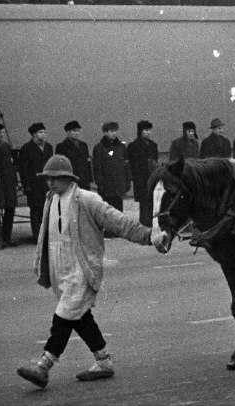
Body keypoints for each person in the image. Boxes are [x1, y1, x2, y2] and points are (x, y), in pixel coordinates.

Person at [16, 155, 155, 389]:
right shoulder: (52, 199)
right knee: (78, 316)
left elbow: (117, 221)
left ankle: (44, 365)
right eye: (47, 178)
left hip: (82, 270)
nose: (50, 183)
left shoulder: (86, 199)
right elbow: (47, 236)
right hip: (61, 272)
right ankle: (104, 361)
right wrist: (43, 266)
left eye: (55, 178)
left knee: (64, 315)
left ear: (68, 178)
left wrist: (148, 236)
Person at [20, 123, 54, 242]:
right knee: (35, 210)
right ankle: (37, 236)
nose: (43, 134)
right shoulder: (26, 148)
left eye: (44, 132)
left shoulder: (49, 147)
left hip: (47, 183)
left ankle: (48, 235)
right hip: (34, 184)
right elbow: (23, 169)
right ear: (34, 135)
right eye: (40, 132)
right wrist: (26, 185)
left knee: (48, 209)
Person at [0, 123, 18, 247]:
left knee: (10, 209)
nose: (1, 135)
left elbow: (11, 166)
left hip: (8, 182)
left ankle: (7, 236)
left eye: (2, 132)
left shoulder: (6, 146)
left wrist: (14, 181)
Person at [92, 122, 130, 211]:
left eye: (115, 131)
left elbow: (126, 165)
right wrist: (100, 184)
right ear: (105, 132)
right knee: (107, 212)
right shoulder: (99, 148)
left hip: (119, 187)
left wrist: (128, 180)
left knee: (119, 212)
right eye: (111, 131)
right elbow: (97, 168)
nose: (114, 133)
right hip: (106, 187)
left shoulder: (121, 147)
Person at [127, 121, 158, 227]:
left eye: (149, 130)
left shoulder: (153, 145)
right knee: (144, 203)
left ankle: (152, 223)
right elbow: (132, 165)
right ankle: (144, 225)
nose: (148, 132)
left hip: (152, 177)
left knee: (153, 202)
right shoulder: (133, 146)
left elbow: (156, 162)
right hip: (141, 178)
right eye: (145, 130)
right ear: (140, 131)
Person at [55, 121, 92, 190]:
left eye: (78, 131)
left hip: (84, 180)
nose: (77, 133)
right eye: (74, 131)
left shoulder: (83, 145)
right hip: (70, 180)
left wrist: (90, 179)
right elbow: (60, 165)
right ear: (68, 132)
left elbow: (87, 163)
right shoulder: (61, 146)